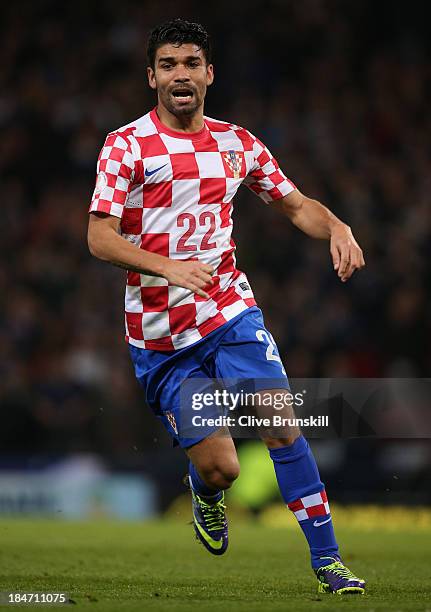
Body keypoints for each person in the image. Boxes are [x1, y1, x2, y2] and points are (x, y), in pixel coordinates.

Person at [87, 18, 366, 595]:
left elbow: (294, 205)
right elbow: (99, 237)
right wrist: (167, 267)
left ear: (209, 74)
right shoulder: (126, 145)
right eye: (168, 65)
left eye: (191, 63)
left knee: (282, 423)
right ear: (151, 77)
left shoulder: (239, 145)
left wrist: (336, 225)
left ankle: (328, 562)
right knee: (222, 468)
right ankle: (206, 494)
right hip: (160, 333)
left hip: (229, 311)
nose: (180, 74)